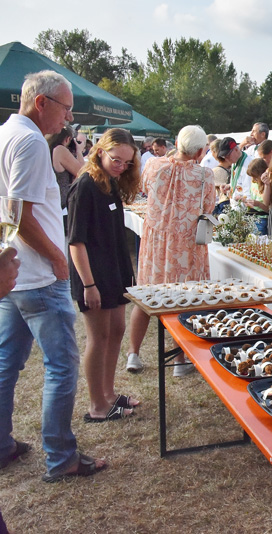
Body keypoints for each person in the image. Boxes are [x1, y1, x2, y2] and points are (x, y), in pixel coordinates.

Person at [0, 70, 107, 480]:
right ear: (41, 103)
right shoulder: (28, 140)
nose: (68, 117)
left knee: (7, 362)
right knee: (61, 366)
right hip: (38, 274)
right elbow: (20, 213)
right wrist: (58, 260)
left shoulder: (9, 134)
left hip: (15, 273)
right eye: (65, 107)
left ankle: (2, 444)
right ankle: (61, 458)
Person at [125, 125, 215, 374]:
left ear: (177, 141)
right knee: (184, 300)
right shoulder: (205, 175)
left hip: (156, 239)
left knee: (145, 297)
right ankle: (179, 361)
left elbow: (143, 188)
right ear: (199, 151)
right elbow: (209, 208)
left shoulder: (153, 165)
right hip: (186, 244)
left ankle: (133, 354)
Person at [67, 128, 140, 422]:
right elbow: (76, 241)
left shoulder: (109, 182)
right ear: (100, 151)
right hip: (93, 275)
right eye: (116, 159)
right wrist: (89, 284)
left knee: (116, 330)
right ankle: (97, 405)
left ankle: (109, 394)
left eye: (126, 163)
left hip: (114, 271)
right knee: (98, 337)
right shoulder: (84, 185)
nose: (121, 166)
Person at [46, 125, 84, 227]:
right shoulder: (60, 150)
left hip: (52, 205)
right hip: (60, 207)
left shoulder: (47, 149)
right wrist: (79, 151)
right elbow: (82, 173)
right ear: (68, 139)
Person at [243, 158, 270, 234]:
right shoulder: (254, 183)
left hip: (262, 218)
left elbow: (268, 209)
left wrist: (258, 204)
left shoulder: (267, 186)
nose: (253, 179)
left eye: (255, 177)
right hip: (252, 216)